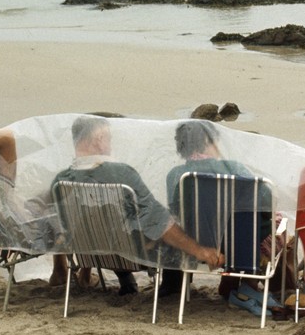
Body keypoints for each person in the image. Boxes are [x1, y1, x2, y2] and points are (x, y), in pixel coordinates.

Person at [50, 116, 224, 295]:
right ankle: (172, 288)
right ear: (99, 140)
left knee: (120, 224)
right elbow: (160, 221)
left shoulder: (60, 181)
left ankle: (125, 279)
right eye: (109, 138)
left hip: (89, 254)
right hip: (130, 255)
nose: (110, 144)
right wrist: (199, 250)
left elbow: (61, 225)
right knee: (173, 225)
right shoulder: (121, 174)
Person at [165, 120, 285, 315]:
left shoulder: (176, 175)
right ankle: (251, 285)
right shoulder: (232, 169)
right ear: (206, 141)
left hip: (196, 247)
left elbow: (176, 212)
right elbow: (265, 201)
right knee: (272, 224)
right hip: (238, 248)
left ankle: (233, 285)